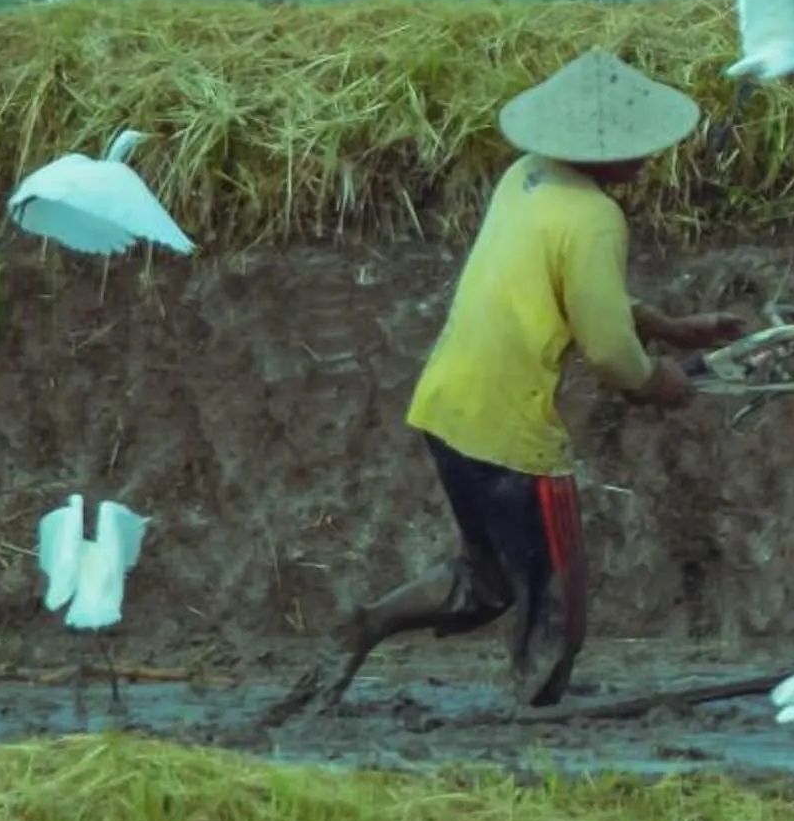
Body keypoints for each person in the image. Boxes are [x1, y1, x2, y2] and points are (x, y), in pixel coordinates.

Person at [278, 48, 749, 714]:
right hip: (513, 431)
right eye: (639, 145)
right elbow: (610, 351)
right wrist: (660, 382)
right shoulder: (595, 218)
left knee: (491, 583)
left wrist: (672, 328)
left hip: (447, 407)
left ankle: (368, 622)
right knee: (557, 599)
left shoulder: (526, 177)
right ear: (601, 149)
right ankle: (536, 709)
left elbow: (573, 297)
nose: (650, 157)